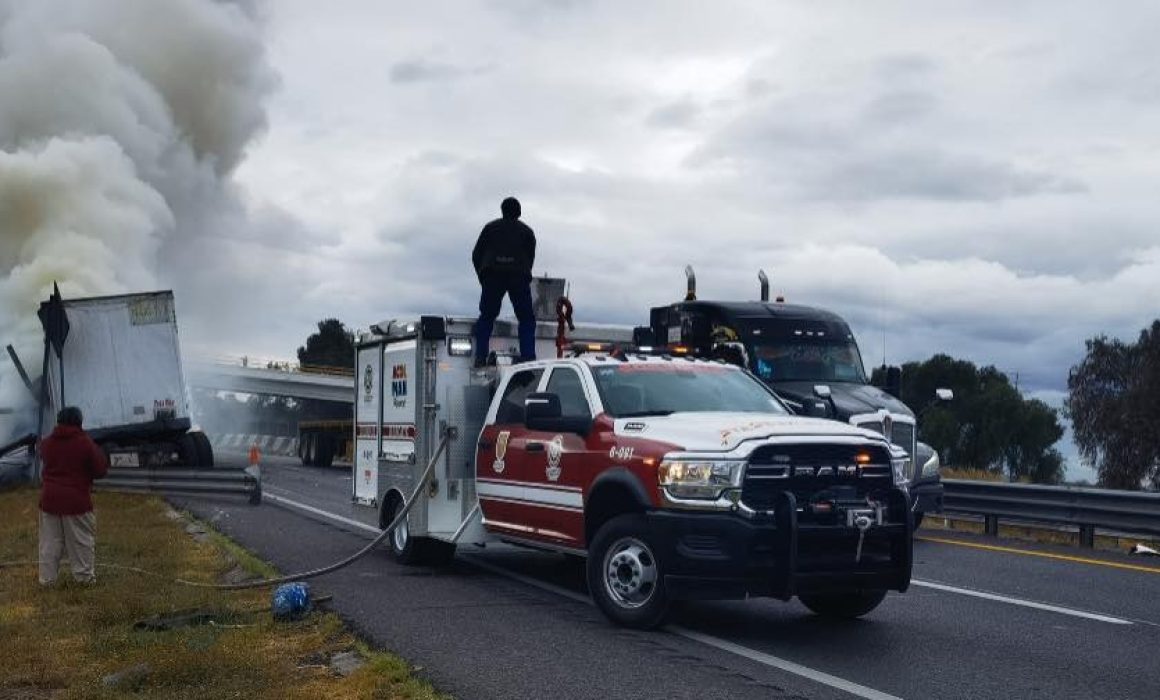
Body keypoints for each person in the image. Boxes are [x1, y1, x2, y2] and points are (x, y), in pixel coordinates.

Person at [38, 406, 108, 585]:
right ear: (79, 421)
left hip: (49, 500)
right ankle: (84, 579)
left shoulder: (46, 443)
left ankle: (47, 580)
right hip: (76, 501)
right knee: (80, 541)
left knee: (50, 543)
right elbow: (100, 468)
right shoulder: (84, 442)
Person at [472, 196, 537, 366]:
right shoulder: (527, 232)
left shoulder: (490, 228)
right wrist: (523, 272)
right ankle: (529, 357)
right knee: (526, 319)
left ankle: (480, 357)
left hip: (493, 275)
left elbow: (476, 255)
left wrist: (483, 276)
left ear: (502, 210)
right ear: (519, 212)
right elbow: (530, 257)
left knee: (486, 317)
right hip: (518, 277)